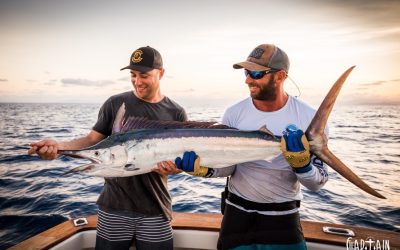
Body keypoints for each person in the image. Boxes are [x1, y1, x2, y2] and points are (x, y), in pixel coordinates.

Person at [28, 46, 186, 250]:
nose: (137, 81)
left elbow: (183, 161)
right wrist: (58, 147)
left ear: (161, 73)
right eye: (133, 75)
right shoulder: (115, 103)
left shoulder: (176, 112)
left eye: (144, 75)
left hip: (156, 209)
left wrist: (176, 168)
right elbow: (92, 140)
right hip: (114, 208)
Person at [175, 44, 329, 250]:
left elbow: (317, 183)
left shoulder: (308, 117)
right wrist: (205, 169)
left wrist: (302, 165)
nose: (248, 80)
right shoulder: (233, 113)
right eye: (247, 72)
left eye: (256, 73)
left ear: (281, 76)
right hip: (236, 217)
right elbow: (229, 167)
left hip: (283, 219)